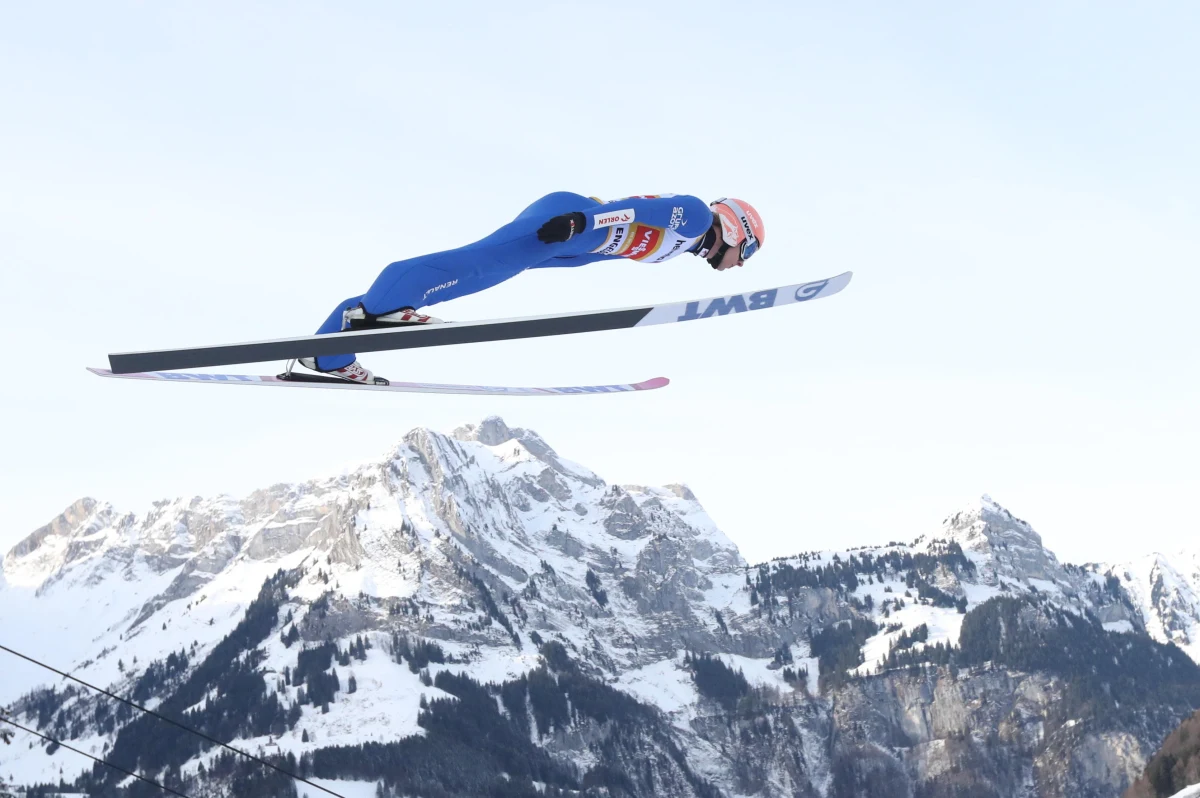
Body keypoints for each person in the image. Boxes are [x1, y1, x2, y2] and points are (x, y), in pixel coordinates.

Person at [299, 191, 766, 383]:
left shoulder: (687, 246)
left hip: (583, 245)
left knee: (478, 274)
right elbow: (635, 212)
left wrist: (582, 241)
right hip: (577, 222)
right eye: (745, 253)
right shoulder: (698, 216)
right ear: (734, 228)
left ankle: (329, 352)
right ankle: (383, 309)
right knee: (480, 266)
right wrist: (580, 222)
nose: (739, 265)